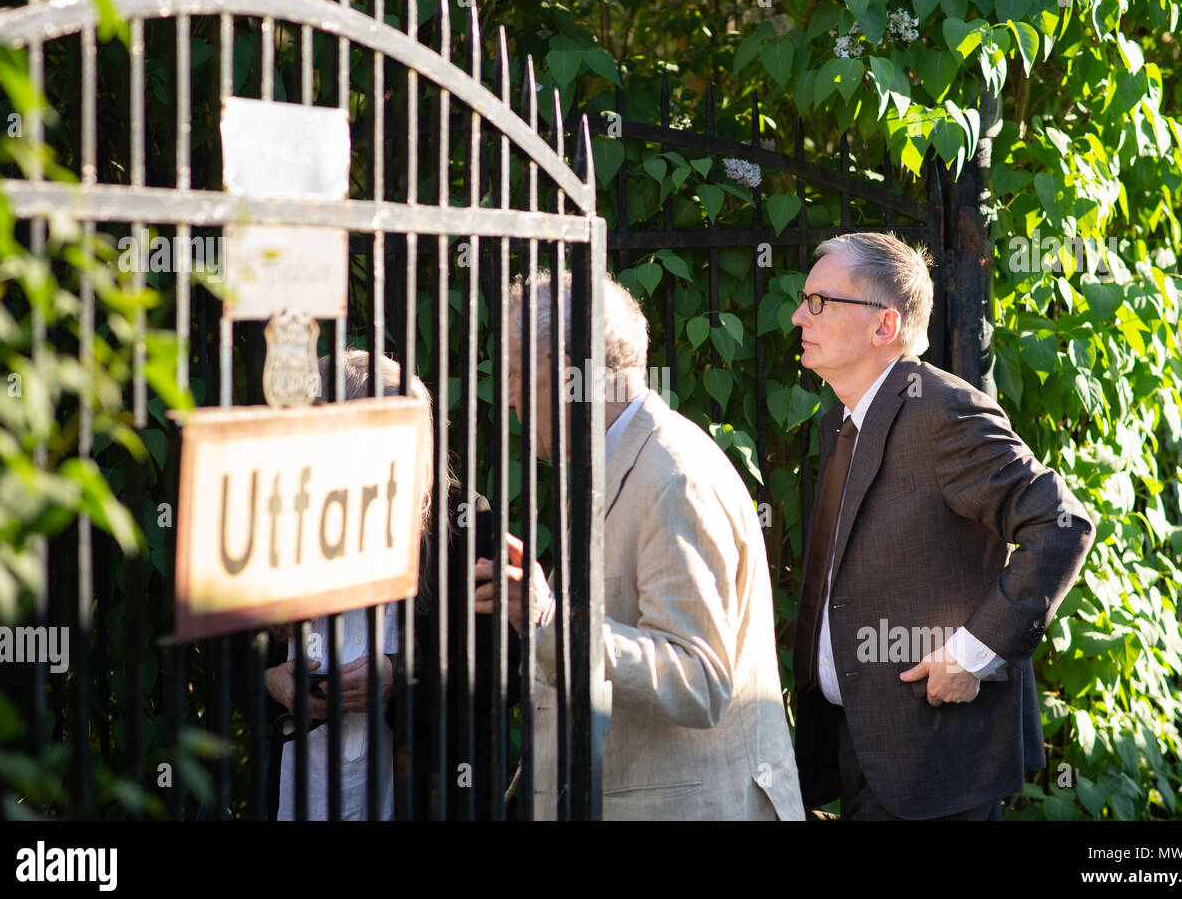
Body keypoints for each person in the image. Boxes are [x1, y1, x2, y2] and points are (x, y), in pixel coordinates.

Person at [474, 271, 805, 821]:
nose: (507, 398)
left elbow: (700, 679)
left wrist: (548, 620)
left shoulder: (674, 477)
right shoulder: (622, 458)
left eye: (513, 375)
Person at [788, 232, 1096, 820]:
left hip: (931, 759)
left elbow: (1060, 523)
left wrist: (974, 653)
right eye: (806, 300)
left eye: (821, 301)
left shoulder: (941, 409)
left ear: (885, 326)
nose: (801, 315)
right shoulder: (842, 420)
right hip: (860, 743)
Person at [261, 349, 514, 820]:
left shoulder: (460, 522)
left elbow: (503, 667)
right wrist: (273, 682)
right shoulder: (284, 517)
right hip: (298, 787)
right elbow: (233, 651)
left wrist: (399, 674)